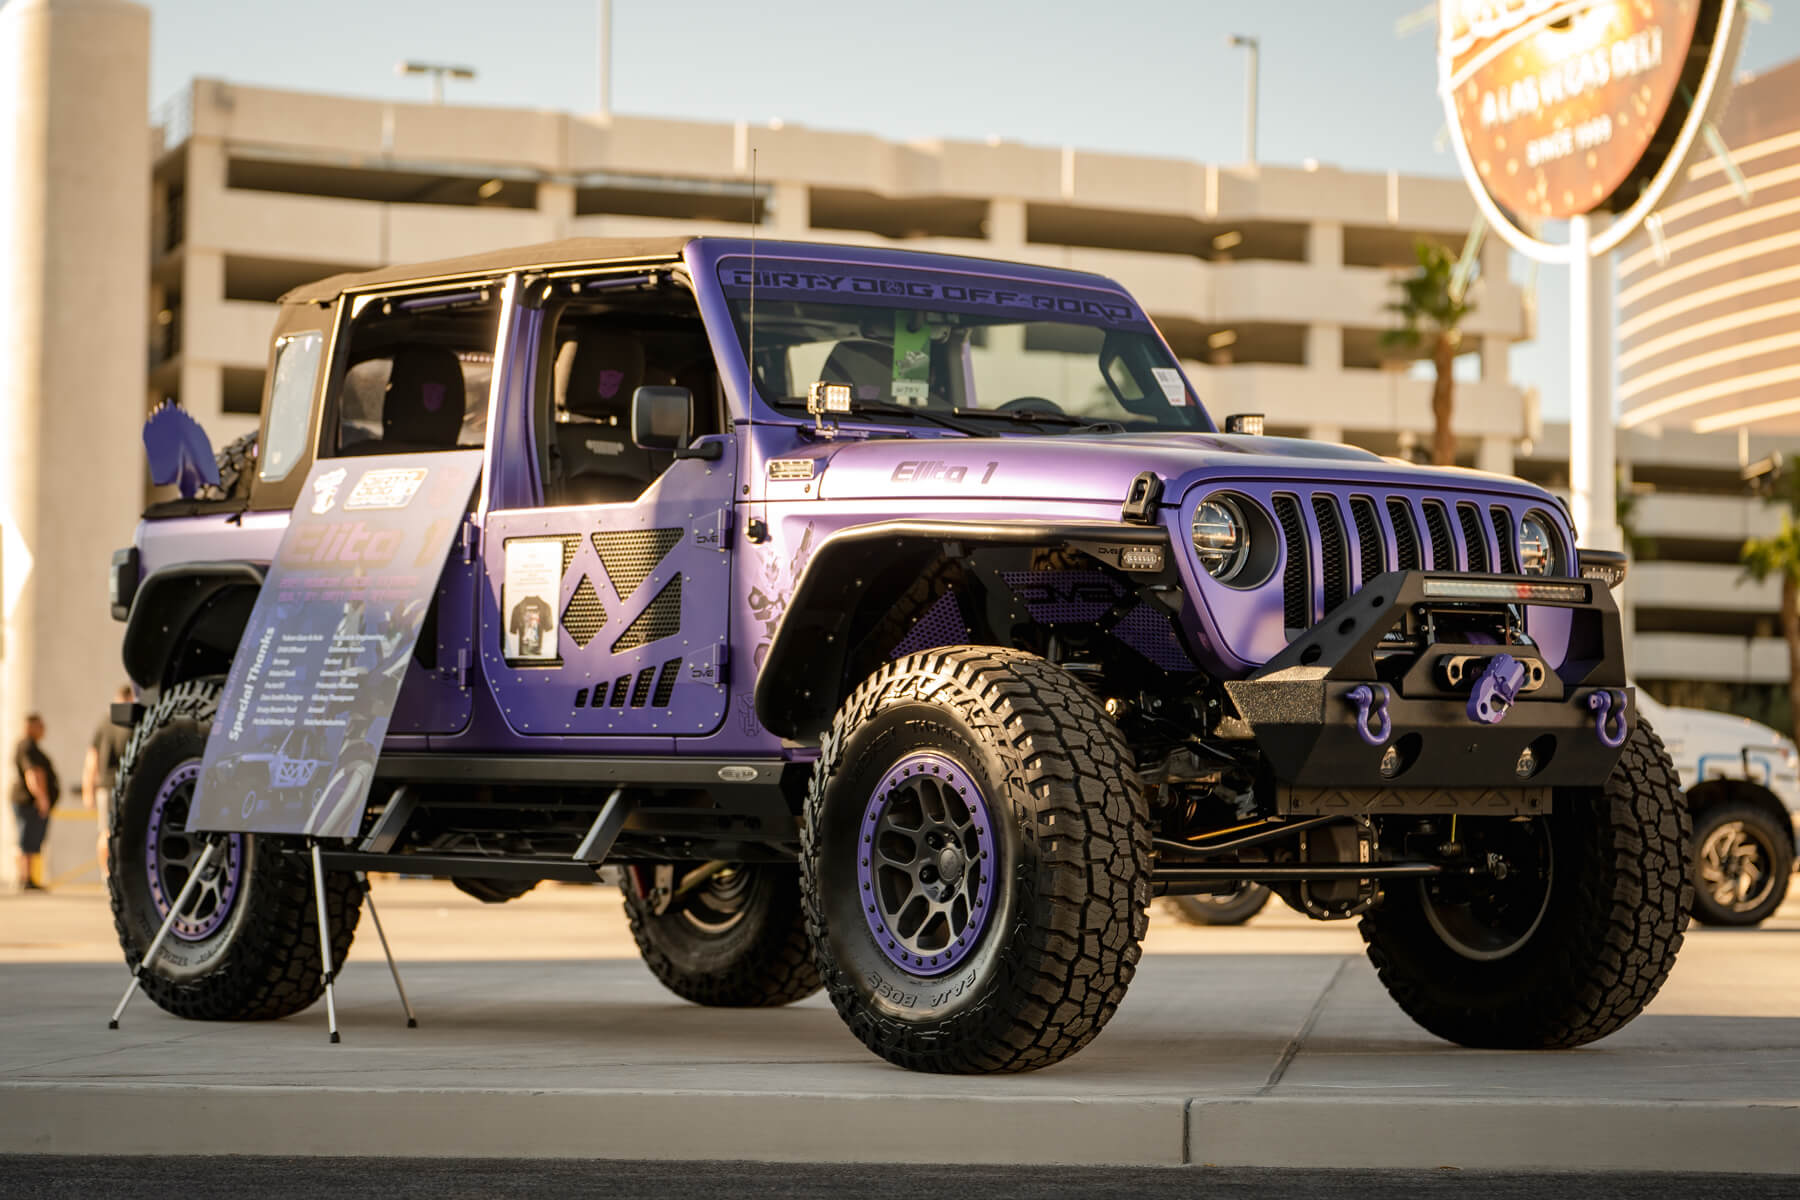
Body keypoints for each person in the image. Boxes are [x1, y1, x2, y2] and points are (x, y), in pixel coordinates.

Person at [82, 685, 134, 874]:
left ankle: (108, 875)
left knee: (107, 832)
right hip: (120, 785)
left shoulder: (104, 722)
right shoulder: (128, 723)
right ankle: (110, 875)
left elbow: (91, 758)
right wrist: (88, 788)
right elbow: (93, 757)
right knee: (111, 832)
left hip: (108, 786)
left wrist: (89, 789)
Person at [12, 713, 59, 892]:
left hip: (29, 801)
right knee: (26, 840)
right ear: (31, 727)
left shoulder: (29, 746)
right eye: (40, 726)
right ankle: (25, 878)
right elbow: (33, 774)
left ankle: (28, 878)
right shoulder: (28, 747)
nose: (43, 730)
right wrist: (42, 798)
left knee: (30, 840)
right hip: (28, 802)